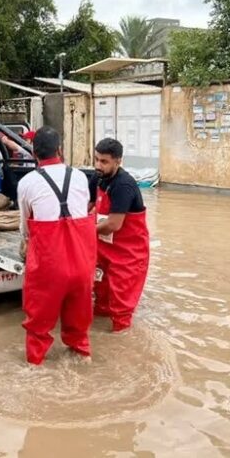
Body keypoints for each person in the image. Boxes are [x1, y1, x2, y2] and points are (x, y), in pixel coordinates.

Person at [18, 126, 97, 365]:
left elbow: (26, 227)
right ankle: (81, 355)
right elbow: (80, 213)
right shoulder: (81, 177)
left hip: (48, 266)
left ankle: (36, 364)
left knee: (38, 323)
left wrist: (24, 246)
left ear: (34, 154)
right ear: (60, 150)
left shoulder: (27, 182)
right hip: (82, 262)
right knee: (79, 318)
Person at [89, 138, 150, 332]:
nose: (99, 165)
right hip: (103, 249)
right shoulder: (96, 178)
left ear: (118, 161)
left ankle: (120, 342)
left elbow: (114, 224)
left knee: (121, 305)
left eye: (104, 161)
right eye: (96, 159)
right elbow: (88, 207)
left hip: (128, 254)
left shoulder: (124, 185)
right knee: (100, 295)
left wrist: (84, 231)